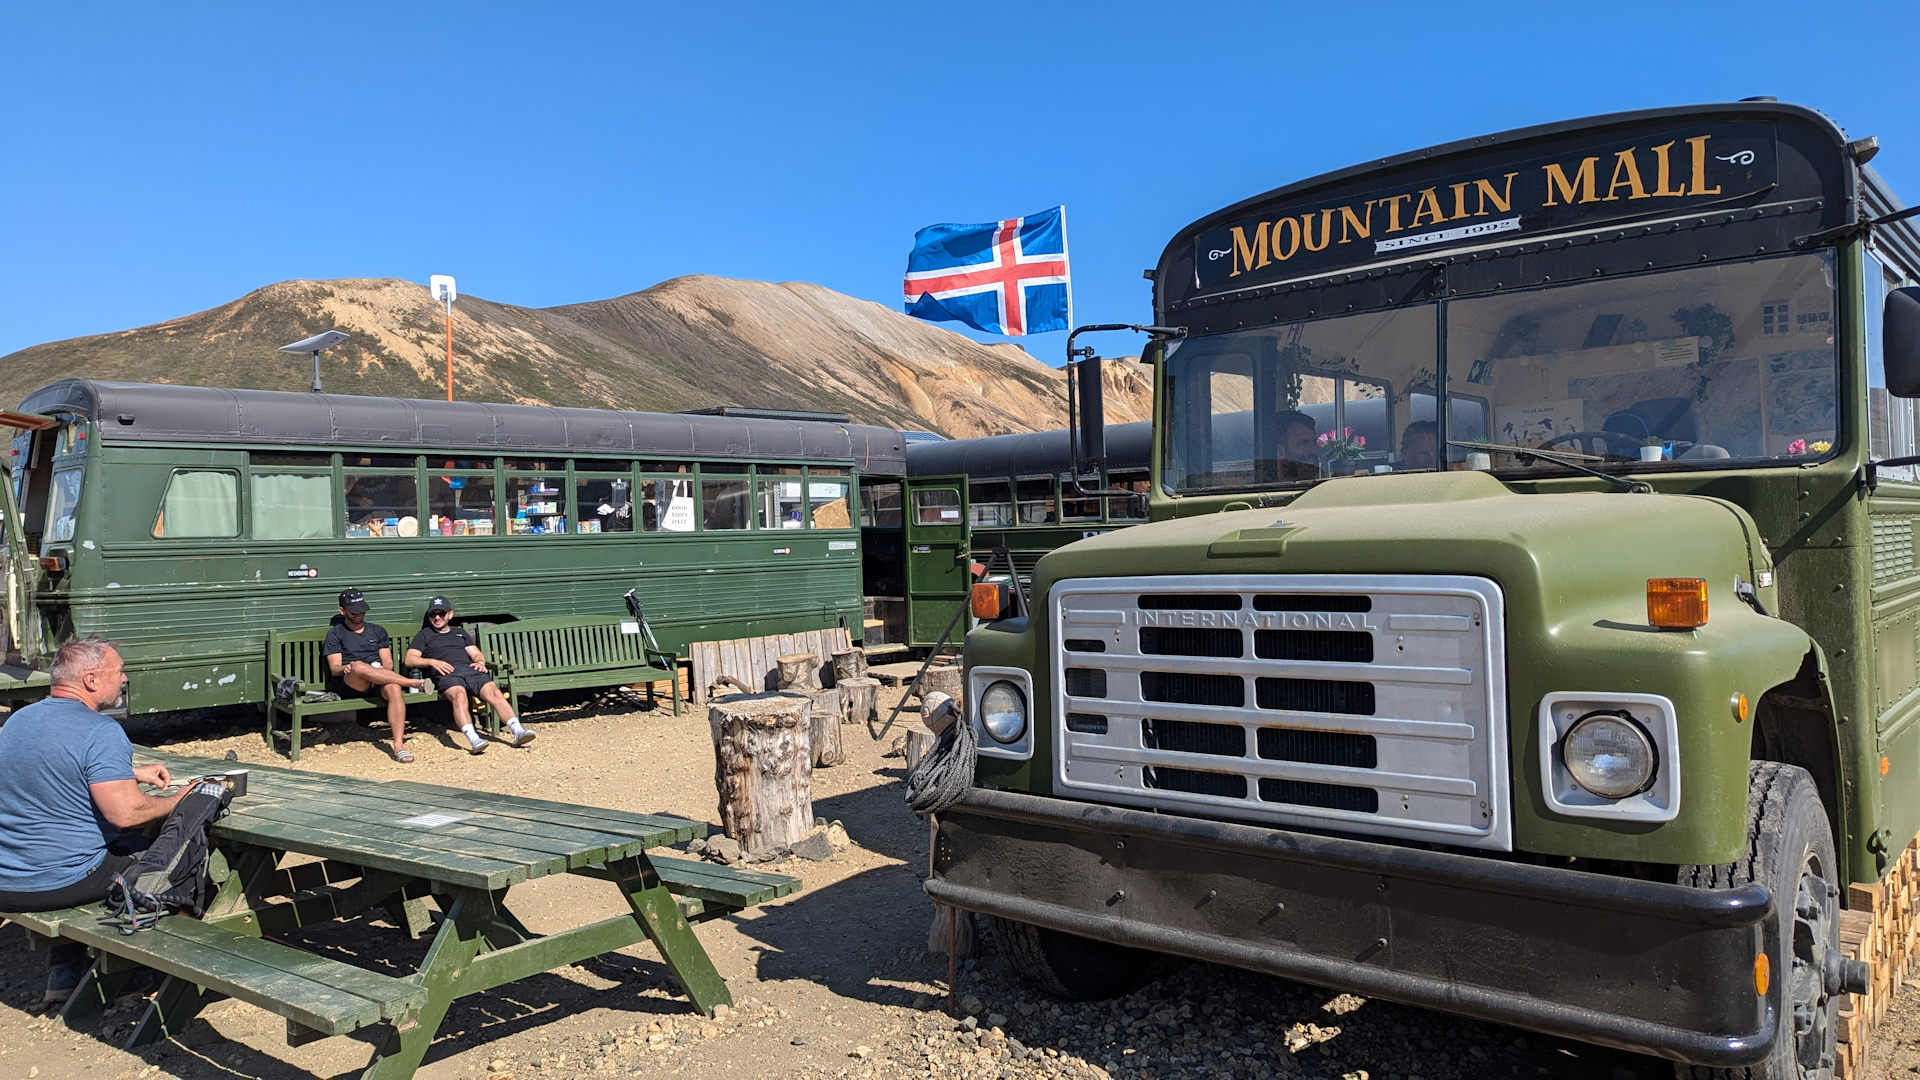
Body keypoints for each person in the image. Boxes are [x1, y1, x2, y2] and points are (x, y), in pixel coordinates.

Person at [0, 636, 186, 1004]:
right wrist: (181, 799)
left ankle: (64, 974)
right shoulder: (100, 730)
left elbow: (50, 768)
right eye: (119, 671)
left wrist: (126, 772)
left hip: (8, 878)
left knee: (79, 845)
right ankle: (133, 972)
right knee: (172, 855)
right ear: (90, 679)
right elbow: (127, 813)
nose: (125, 679)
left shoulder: (19, 721)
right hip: (57, 882)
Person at [404, 596, 533, 753]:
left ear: (450, 614)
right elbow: (409, 660)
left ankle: (518, 731)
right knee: (459, 696)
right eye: (433, 614)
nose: (437, 618)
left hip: (470, 670)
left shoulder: (460, 633)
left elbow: (476, 654)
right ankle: (474, 739)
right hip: (447, 673)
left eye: (441, 613)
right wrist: (432, 662)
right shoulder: (424, 635)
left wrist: (479, 662)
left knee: (494, 692)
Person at [324, 587, 430, 763]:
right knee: (358, 666)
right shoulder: (335, 634)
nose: (359, 614)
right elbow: (334, 668)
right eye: (354, 611)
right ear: (342, 611)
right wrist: (347, 668)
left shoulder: (377, 631)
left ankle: (398, 746)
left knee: (394, 688)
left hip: (379, 680)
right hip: (353, 683)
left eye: (362, 610)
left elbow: (388, 663)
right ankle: (413, 683)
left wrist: (379, 671)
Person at [1275, 410, 1320, 482]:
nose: (1313, 450)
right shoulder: (1263, 491)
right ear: (1280, 451)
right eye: (1304, 443)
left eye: (1314, 442)